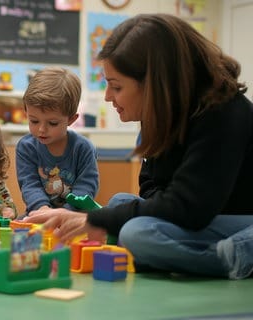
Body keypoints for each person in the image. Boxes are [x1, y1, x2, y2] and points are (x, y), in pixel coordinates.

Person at [22, 14, 253, 280]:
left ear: (154, 83)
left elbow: (189, 208)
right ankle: (159, 254)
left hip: (236, 222)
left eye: (116, 87)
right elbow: (152, 188)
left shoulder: (223, 112)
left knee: (136, 232)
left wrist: (100, 220)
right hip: (203, 220)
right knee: (122, 201)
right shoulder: (159, 118)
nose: (108, 97)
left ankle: (231, 258)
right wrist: (115, 216)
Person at [16, 66, 99, 216]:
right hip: (39, 212)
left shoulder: (83, 148)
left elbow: (86, 187)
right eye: (34, 121)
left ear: (71, 119)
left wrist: (64, 214)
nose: (41, 129)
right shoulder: (26, 147)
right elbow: (30, 185)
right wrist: (43, 210)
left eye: (52, 123)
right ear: (26, 112)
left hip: (74, 215)